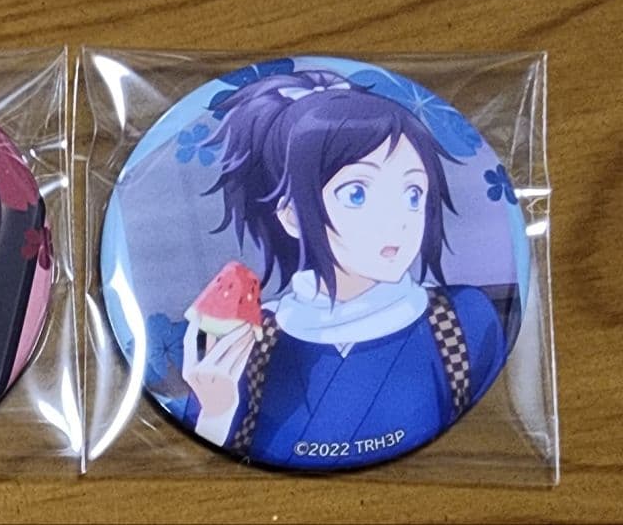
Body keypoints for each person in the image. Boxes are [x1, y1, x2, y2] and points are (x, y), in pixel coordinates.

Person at [181, 71, 507, 469]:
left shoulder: (464, 320)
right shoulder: (249, 343)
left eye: (412, 193)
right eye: (357, 193)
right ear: (291, 215)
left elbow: (485, 435)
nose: (398, 221)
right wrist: (216, 410)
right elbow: (205, 466)